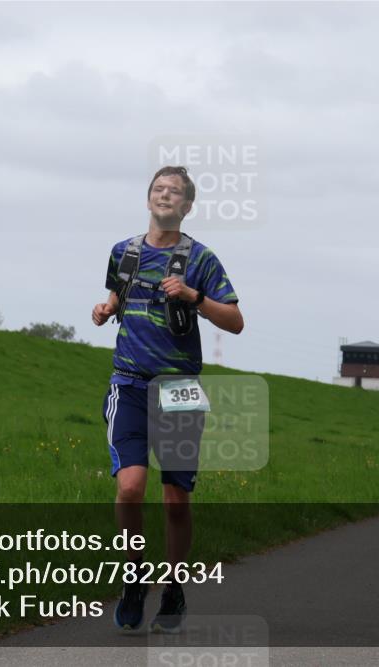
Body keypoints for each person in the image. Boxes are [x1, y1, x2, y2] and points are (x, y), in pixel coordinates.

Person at [92, 166, 243, 633]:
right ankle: (134, 577)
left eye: (174, 192)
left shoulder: (202, 259)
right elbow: (118, 294)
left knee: (176, 499)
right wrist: (106, 308)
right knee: (130, 487)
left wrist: (195, 297)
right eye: (158, 189)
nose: (164, 195)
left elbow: (235, 321)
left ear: (187, 206)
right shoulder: (124, 251)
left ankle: (174, 588)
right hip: (131, 383)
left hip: (178, 389)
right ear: (148, 198)